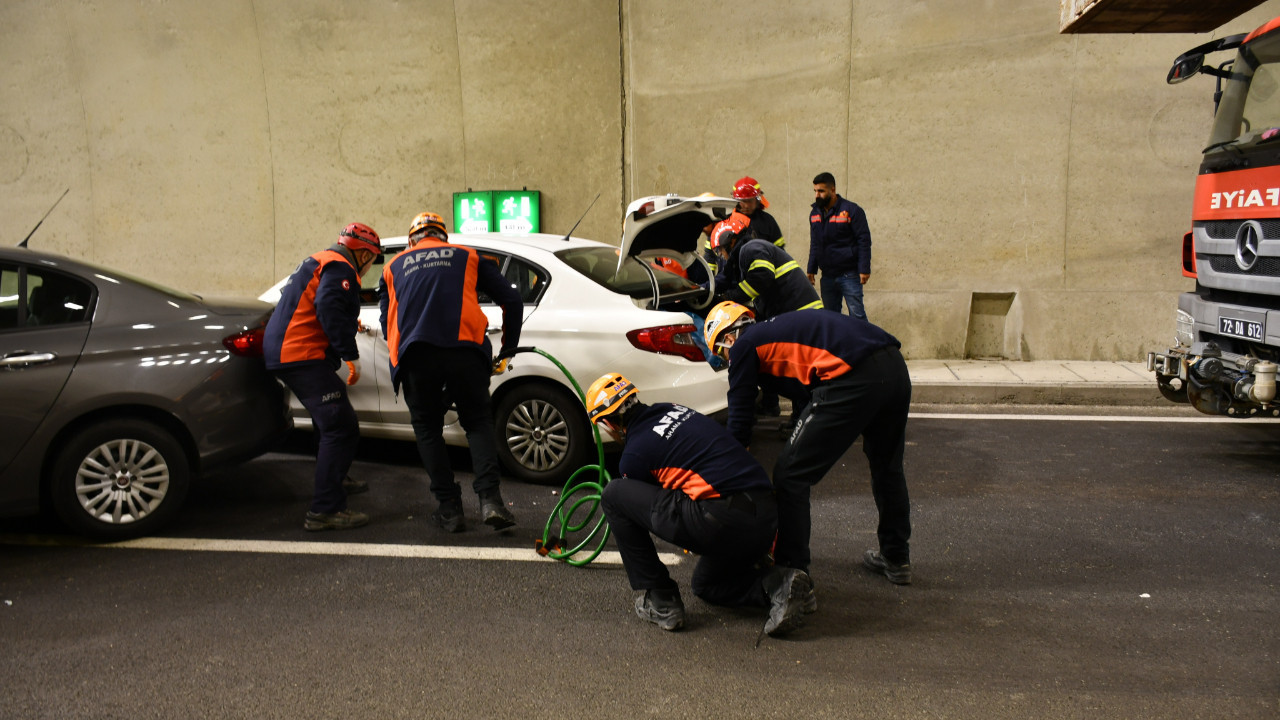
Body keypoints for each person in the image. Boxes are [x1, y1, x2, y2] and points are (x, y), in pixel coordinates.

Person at [703, 301, 913, 598]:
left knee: (790, 476)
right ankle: (896, 556)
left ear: (728, 337)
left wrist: (729, 471)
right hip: (893, 366)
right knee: (887, 468)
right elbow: (807, 392)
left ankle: (792, 573)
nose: (727, 360)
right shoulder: (776, 331)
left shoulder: (743, 345)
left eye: (721, 353)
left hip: (851, 375)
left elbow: (740, 419)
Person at [588, 372, 812, 637]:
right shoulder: (674, 409)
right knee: (706, 585)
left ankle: (661, 601)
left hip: (723, 521)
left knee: (614, 494)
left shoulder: (634, 454)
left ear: (608, 424)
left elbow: (647, 507)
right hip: (766, 516)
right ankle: (780, 585)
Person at [379, 211, 523, 533]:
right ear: (444, 236)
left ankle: (449, 510)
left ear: (410, 240)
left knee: (428, 430)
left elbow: (386, 319)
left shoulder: (392, 267)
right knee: (477, 423)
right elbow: (512, 300)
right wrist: (508, 348)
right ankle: (491, 501)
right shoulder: (468, 256)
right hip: (465, 353)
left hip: (416, 356)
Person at [265, 222, 382, 531]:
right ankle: (325, 510)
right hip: (300, 355)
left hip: (285, 350)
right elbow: (328, 305)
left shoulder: (319, 259)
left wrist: (346, 322)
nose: (370, 268)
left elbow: (313, 305)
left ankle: (336, 477)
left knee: (327, 422)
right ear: (364, 254)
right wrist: (349, 354)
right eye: (372, 260)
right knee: (340, 426)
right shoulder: (342, 266)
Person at [710, 211, 823, 422]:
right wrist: (709, 289)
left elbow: (762, 279)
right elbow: (727, 278)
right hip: (798, 314)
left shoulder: (751, 249)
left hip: (801, 314)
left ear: (730, 241)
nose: (722, 256)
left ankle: (804, 421)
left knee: (799, 370)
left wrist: (729, 296)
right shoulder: (745, 254)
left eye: (721, 250)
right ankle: (799, 418)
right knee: (798, 369)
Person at [807, 172, 872, 321]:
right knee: (831, 318)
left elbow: (864, 240)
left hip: (849, 274)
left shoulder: (852, 210)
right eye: (815, 191)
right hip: (827, 276)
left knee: (857, 316)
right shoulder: (814, 214)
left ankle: (865, 344)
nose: (817, 195)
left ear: (833, 190)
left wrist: (864, 268)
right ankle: (837, 345)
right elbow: (815, 243)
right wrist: (811, 268)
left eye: (821, 191)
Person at [732, 176, 786, 249]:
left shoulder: (768, 221)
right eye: (743, 201)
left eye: (750, 201)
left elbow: (779, 250)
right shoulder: (728, 220)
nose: (747, 206)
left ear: (757, 200)